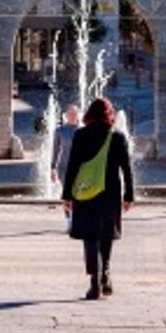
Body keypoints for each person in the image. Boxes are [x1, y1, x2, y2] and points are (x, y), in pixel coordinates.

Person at [61, 97, 135, 301]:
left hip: (86, 193)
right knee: (106, 235)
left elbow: (72, 167)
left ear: (89, 115)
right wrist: (129, 195)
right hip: (110, 193)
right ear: (109, 114)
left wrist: (67, 195)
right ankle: (106, 275)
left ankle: (94, 283)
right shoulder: (118, 137)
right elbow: (127, 169)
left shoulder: (80, 135)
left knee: (90, 237)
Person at [51, 104, 80, 185]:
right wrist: (53, 168)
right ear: (66, 115)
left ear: (78, 115)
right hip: (64, 168)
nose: (72, 116)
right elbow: (55, 151)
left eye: (75, 114)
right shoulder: (59, 131)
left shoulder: (84, 130)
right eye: (70, 114)